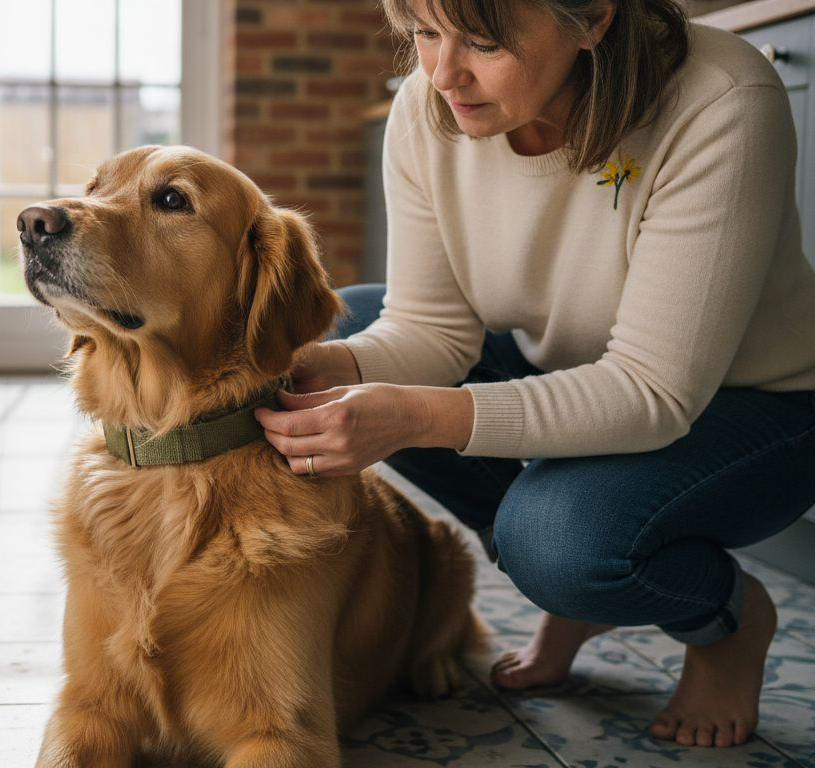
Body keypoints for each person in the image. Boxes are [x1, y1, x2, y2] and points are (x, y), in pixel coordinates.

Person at [253, 0, 815, 750]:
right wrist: (332, 368)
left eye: (482, 42)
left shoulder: (719, 99)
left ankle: (725, 624)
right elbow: (431, 329)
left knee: (559, 539)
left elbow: (651, 392)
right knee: (354, 324)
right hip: (580, 361)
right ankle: (559, 581)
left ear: (592, 18)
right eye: (424, 33)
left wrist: (414, 417)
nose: (442, 73)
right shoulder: (431, 110)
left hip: (755, 404)